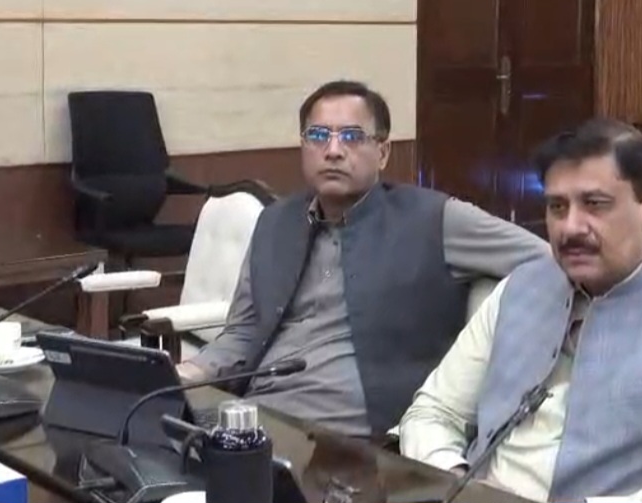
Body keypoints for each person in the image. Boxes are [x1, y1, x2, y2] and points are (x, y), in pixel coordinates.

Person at [399, 119, 642, 503]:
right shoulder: (518, 289)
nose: (570, 228)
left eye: (595, 204)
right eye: (557, 207)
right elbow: (433, 412)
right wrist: (457, 482)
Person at [177, 80, 550, 439]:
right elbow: (244, 330)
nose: (333, 150)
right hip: (251, 416)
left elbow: (549, 260)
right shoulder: (275, 223)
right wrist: (189, 373)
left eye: (352, 137)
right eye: (318, 136)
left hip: (349, 439)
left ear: (383, 152)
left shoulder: (433, 219)